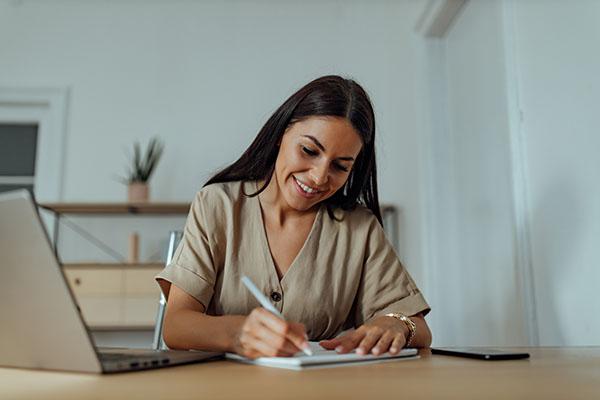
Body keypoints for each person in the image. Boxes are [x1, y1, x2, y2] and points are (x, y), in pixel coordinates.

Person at [155, 75, 431, 359]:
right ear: (280, 136)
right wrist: (239, 334)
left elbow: (420, 329)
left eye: (340, 166)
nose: (319, 177)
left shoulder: (359, 228)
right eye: (309, 151)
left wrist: (397, 325)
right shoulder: (218, 204)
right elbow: (176, 326)